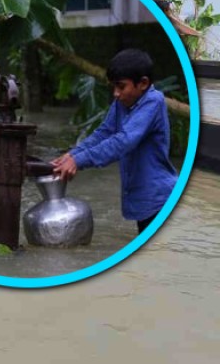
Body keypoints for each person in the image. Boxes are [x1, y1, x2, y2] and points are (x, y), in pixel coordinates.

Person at [52, 49, 178, 234]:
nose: (116, 94)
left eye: (121, 86)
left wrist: (78, 161)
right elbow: (104, 133)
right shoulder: (122, 103)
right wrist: (72, 155)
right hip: (143, 201)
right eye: (114, 87)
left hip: (160, 201)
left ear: (143, 83)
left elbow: (124, 141)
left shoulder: (153, 102)